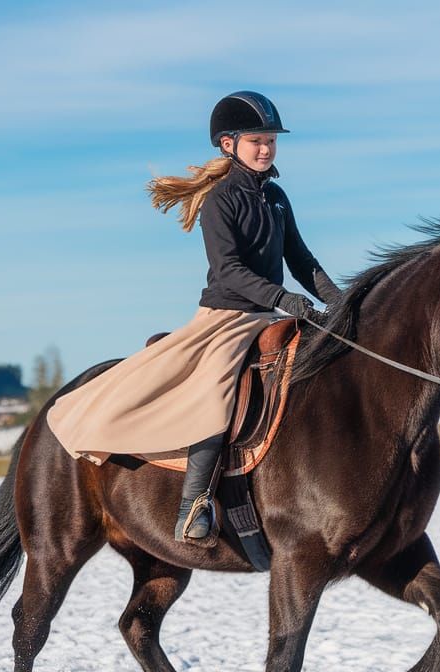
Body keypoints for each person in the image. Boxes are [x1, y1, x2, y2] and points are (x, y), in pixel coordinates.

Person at [46, 90, 342, 543]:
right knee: (214, 393)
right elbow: (230, 270)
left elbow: (302, 259)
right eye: (257, 141)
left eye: (271, 141)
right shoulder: (221, 199)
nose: (266, 149)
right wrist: (283, 297)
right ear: (228, 144)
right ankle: (194, 503)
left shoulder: (277, 197)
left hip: (269, 312)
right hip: (227, 317)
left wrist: (340, 302)